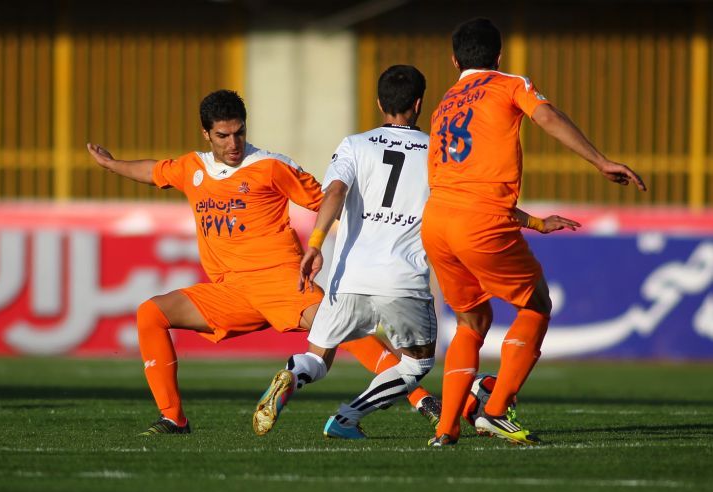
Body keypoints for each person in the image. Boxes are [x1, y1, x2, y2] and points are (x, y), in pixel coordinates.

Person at [86, 89, 439, 435]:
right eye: (223, 135)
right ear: (206, 134)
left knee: (346, 332)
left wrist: (360, 234)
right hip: (231, 292)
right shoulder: (192, 168)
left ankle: (422, 399)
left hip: (282, 284)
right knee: (151, 313)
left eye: (239, 132)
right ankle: (173, 418)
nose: (233, 143)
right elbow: (154, 171)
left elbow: (329, 201)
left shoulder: (271, 166)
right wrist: (112, 164)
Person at [251, 65, 574, 439]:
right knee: (416, 364)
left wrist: (315, 244)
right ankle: (347, 418)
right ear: (419, 103)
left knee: (317, 357)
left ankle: (292, 375)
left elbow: (335, 192)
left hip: (348, 277)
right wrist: (535, 223)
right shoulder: (438, 151)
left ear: (379, 102)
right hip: (402, 280)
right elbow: (473, 203)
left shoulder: (354, 144)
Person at [423, 18, 646, 446]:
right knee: (537, 304)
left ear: (454, 60)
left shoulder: (445, 103)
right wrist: (600, 161)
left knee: (471, 320)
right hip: (479, 221)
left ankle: (445, 428)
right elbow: (547, 115)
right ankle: (494, 410)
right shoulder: (510, 84)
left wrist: (536, 222)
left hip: (436, 221)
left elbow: (464, 184)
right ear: (499, 55)